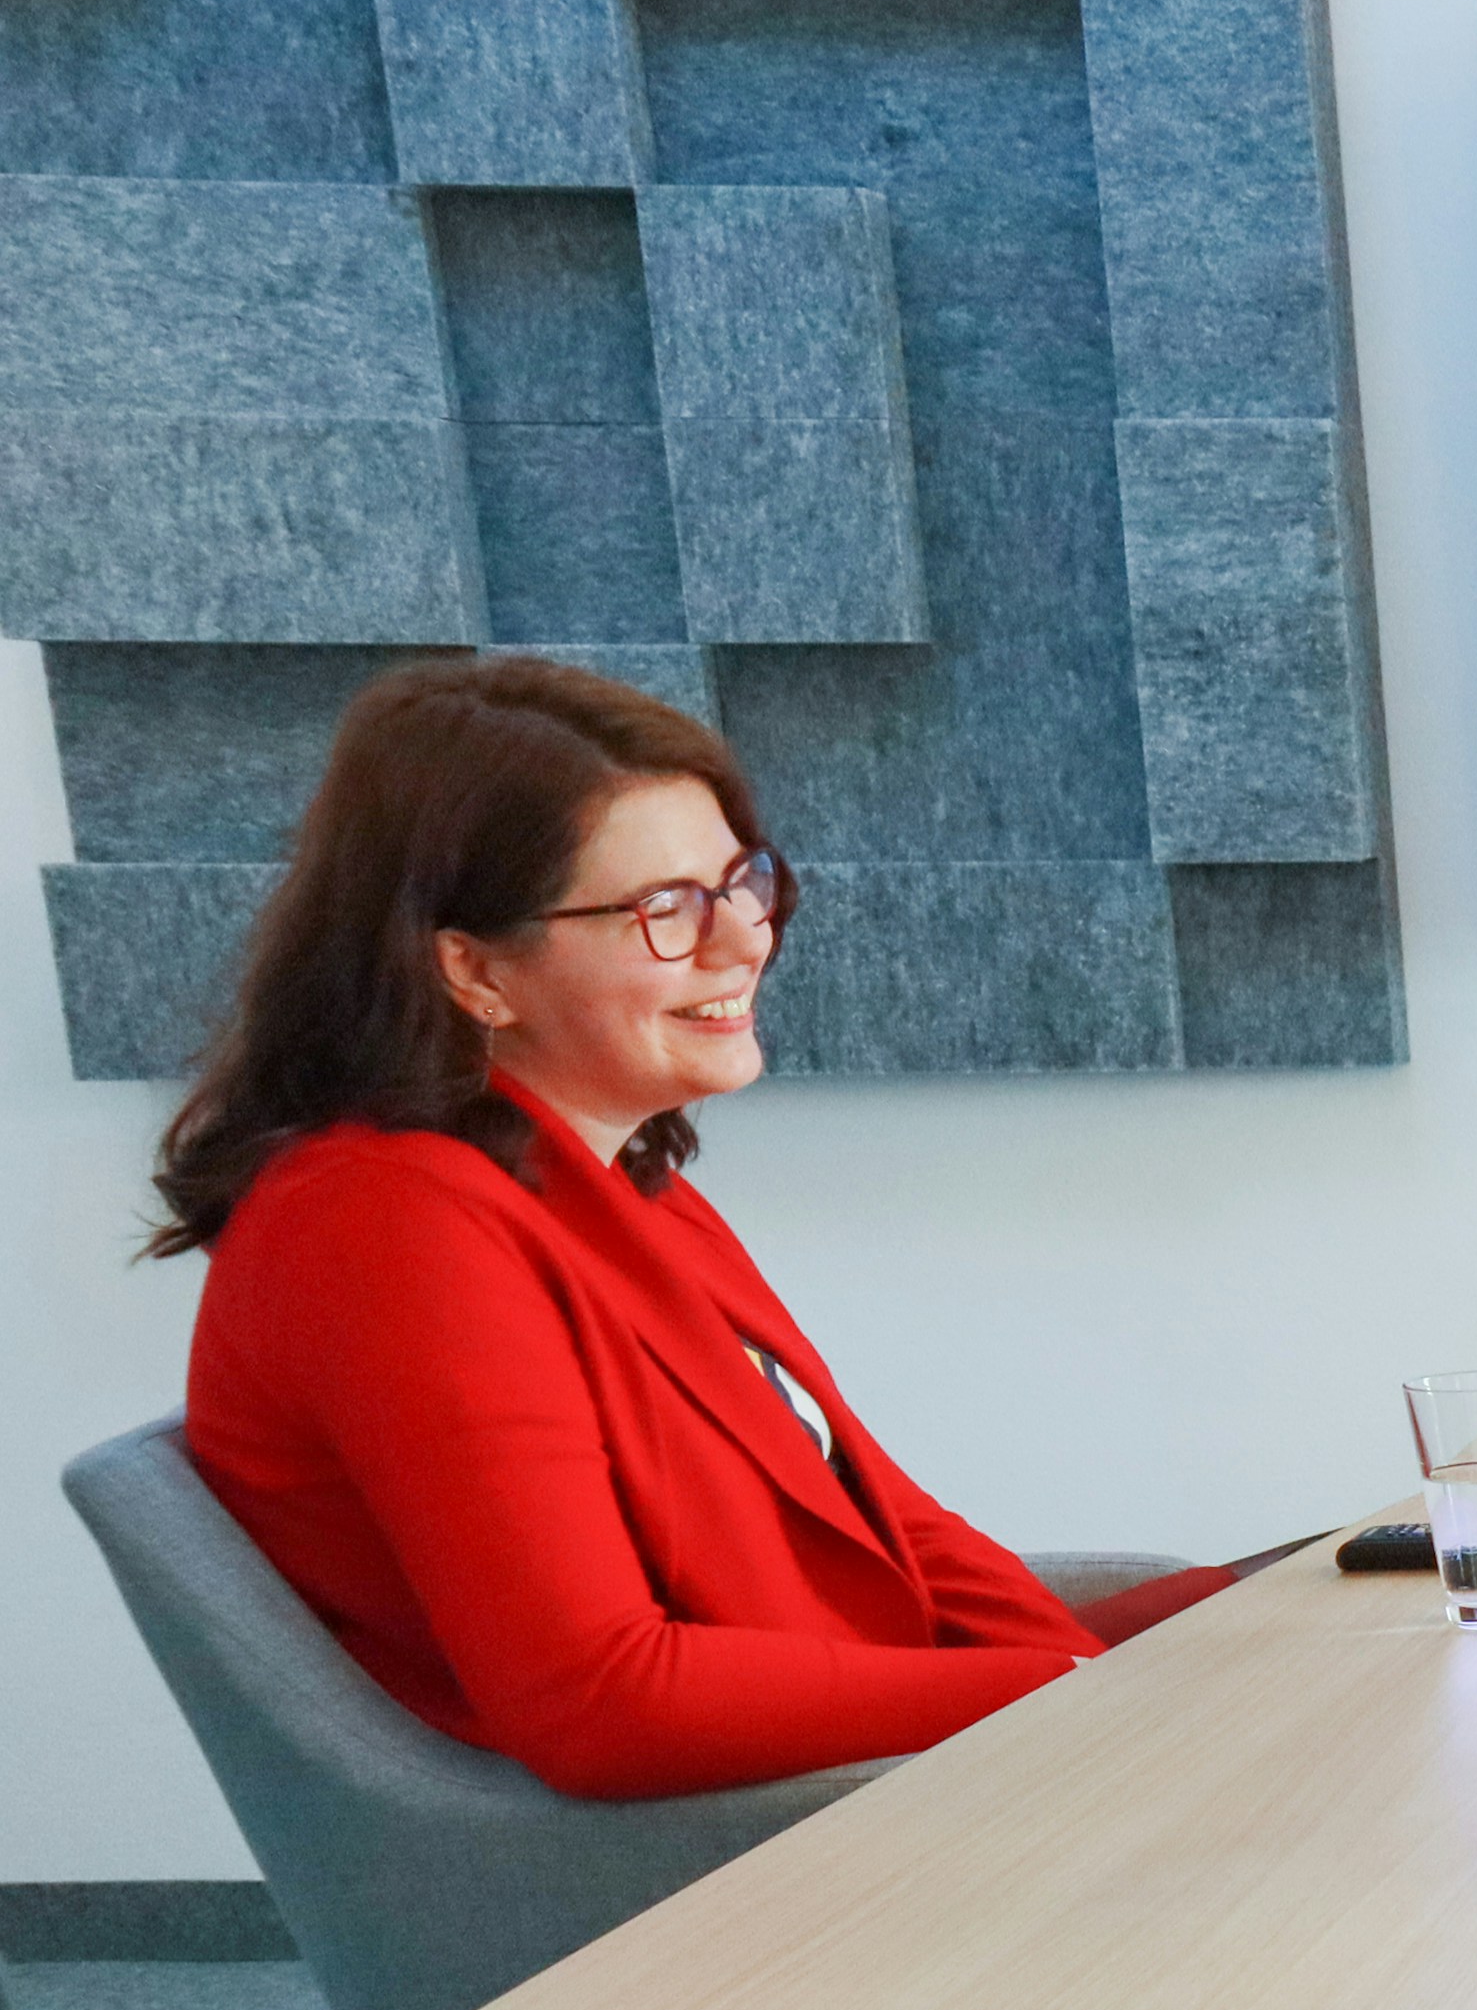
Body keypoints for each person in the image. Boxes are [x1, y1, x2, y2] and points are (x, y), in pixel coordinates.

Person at [151, 657, 1221, 1802]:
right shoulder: (383, 1229)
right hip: (722, 1864)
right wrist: (1071, 1699)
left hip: (870, 1774)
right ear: (473, 970)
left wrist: (1100, 1681)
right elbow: (603, 1702)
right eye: (664, 910)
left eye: (740, 882)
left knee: (1323, 1620)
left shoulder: (615, 1174)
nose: (744, 940)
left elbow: (882, 1525)